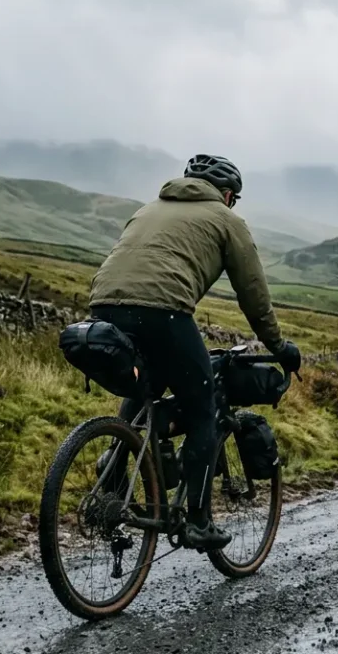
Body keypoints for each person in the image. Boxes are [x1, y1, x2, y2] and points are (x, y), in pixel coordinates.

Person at [87, 154, 299, 550]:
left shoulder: (148, 209)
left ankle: (115, 466)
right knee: (203, 408)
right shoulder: (227, 220)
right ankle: (199, 522)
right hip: (163, 314)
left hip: (102, 309)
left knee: (143, 392)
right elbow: (253, 294)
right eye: (233, 198)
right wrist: (279, 347)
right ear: (228, 194)